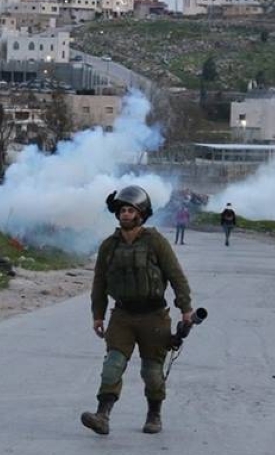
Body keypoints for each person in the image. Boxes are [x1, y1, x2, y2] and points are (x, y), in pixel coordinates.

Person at [81, 185, 194, 436]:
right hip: (122, 315)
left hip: (154, 316)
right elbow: (99, 283)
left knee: (152, 371)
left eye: (131, 210)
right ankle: (102, 415)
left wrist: (186, 309)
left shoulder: (155, 242)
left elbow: (175, 275)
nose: (125, 214)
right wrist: (98, 315)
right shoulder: (109, 246)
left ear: (140, 214)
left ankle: (154, 414)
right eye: (122, 210)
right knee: (113, 364)